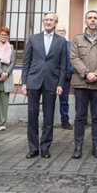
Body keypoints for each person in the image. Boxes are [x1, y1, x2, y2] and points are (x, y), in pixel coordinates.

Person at [22, 12, 68, 158]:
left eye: (51, 20)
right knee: (32, 115)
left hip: (52, 82)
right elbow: (26, 62)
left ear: (56, 22)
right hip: (33, 81)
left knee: (48, 117)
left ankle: (45, 146)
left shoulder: (61, 41)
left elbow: (63, 65)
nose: (48, 22)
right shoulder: (33, 39)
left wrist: (60, 83)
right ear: (43, 22)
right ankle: (33, 147)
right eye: (46, 20)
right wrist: (24, 82)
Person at [70, 10, 97, 160]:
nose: (92, 20)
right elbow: (73, 58)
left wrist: (96, 75)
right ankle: (78, 146)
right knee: (80, 117)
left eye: (95, 18)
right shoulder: (77, 39)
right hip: (81, 84)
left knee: (96, 118)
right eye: (90, 18)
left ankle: (96, 146)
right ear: (85, 21)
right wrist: (86, 73)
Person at [56, 25, 74, 130]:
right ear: (56, 32)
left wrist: (69, 73)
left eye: (63, 30)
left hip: (65, 79)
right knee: (49, 101)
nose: (61, 32)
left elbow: (73, 60)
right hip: (52, 78)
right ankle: (47, 121)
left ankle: (65, 121)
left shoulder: (70, 45)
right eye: (59, 30)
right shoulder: (52, 44)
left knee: (64, 101)